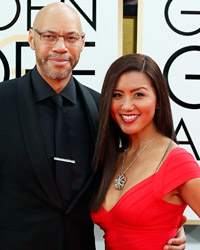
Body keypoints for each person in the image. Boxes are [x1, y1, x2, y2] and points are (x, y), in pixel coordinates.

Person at [0, 2, 186, 249]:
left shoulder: (102, 108)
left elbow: (137, 167)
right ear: (32, 39)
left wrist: (171, 224)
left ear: (82, 42)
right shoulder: (3, 101)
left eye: (71, 37)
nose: (60, 47)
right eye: (49, 36)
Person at [90, 53, 200, 250]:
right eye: (117, 95)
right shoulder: (114, 158)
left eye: (138, 94)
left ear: (158, 100)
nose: (126, 105)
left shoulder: (177, 162)